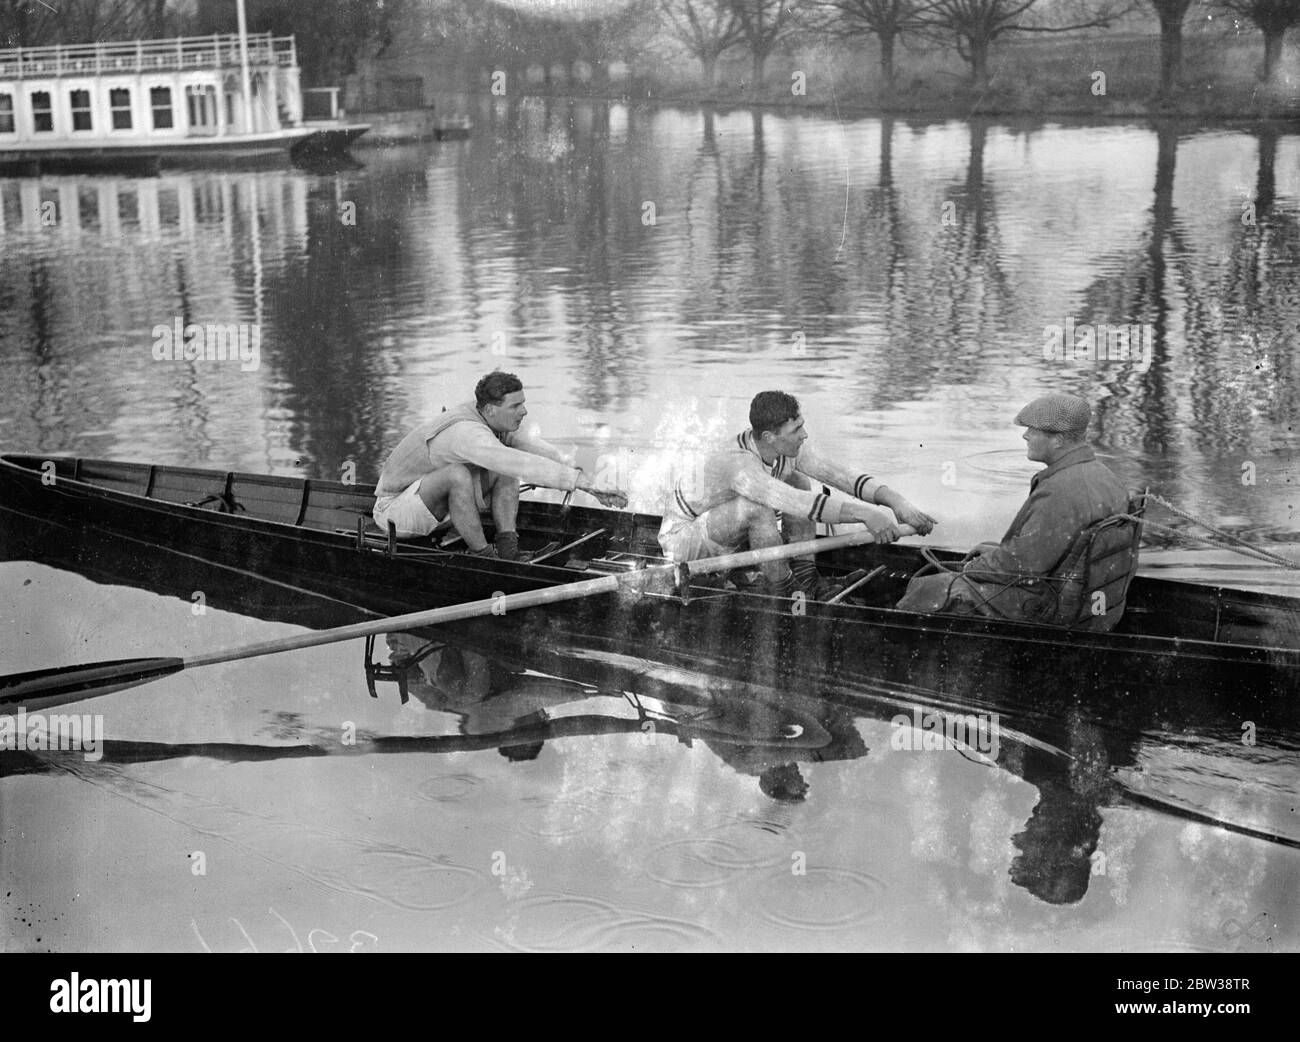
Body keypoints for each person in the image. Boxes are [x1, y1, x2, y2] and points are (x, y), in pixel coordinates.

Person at [659, 390, 936, 597]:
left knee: (799, 481)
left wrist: (897, 502)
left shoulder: (785, 448)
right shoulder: (739, 464)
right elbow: (798, 504)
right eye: (796, 430)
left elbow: (842, 476)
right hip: (684, 542)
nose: (804, 435)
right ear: (770, 437)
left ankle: (806, 579)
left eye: (801, 425)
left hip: (722, 532)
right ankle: (785, 592)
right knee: (759, 507)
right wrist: (866, 515)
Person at [896, 392, 1131, 627]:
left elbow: (1023, 565)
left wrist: (971, 567)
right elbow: (1044, 551)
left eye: (1033, 430)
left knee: (931, 588)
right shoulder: (1107, 477)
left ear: (1058, 440)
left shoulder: (1060, 491)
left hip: (1044, 605)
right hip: (1090, 604)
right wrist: (994, 552)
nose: (1025, 435)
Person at [373, 371, 627, 559]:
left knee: (502, 465)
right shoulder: (466, 433)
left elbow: (535, 450)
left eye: (523, 403)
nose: (525, 411)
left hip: (432, 508)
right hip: (395, 513)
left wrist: (586, 480)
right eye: (516, 406)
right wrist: (578, 482)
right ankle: (485, 557)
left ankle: (508, 552)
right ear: (491, 410)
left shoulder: (488, 417)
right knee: (460, 474)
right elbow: (517, 463)